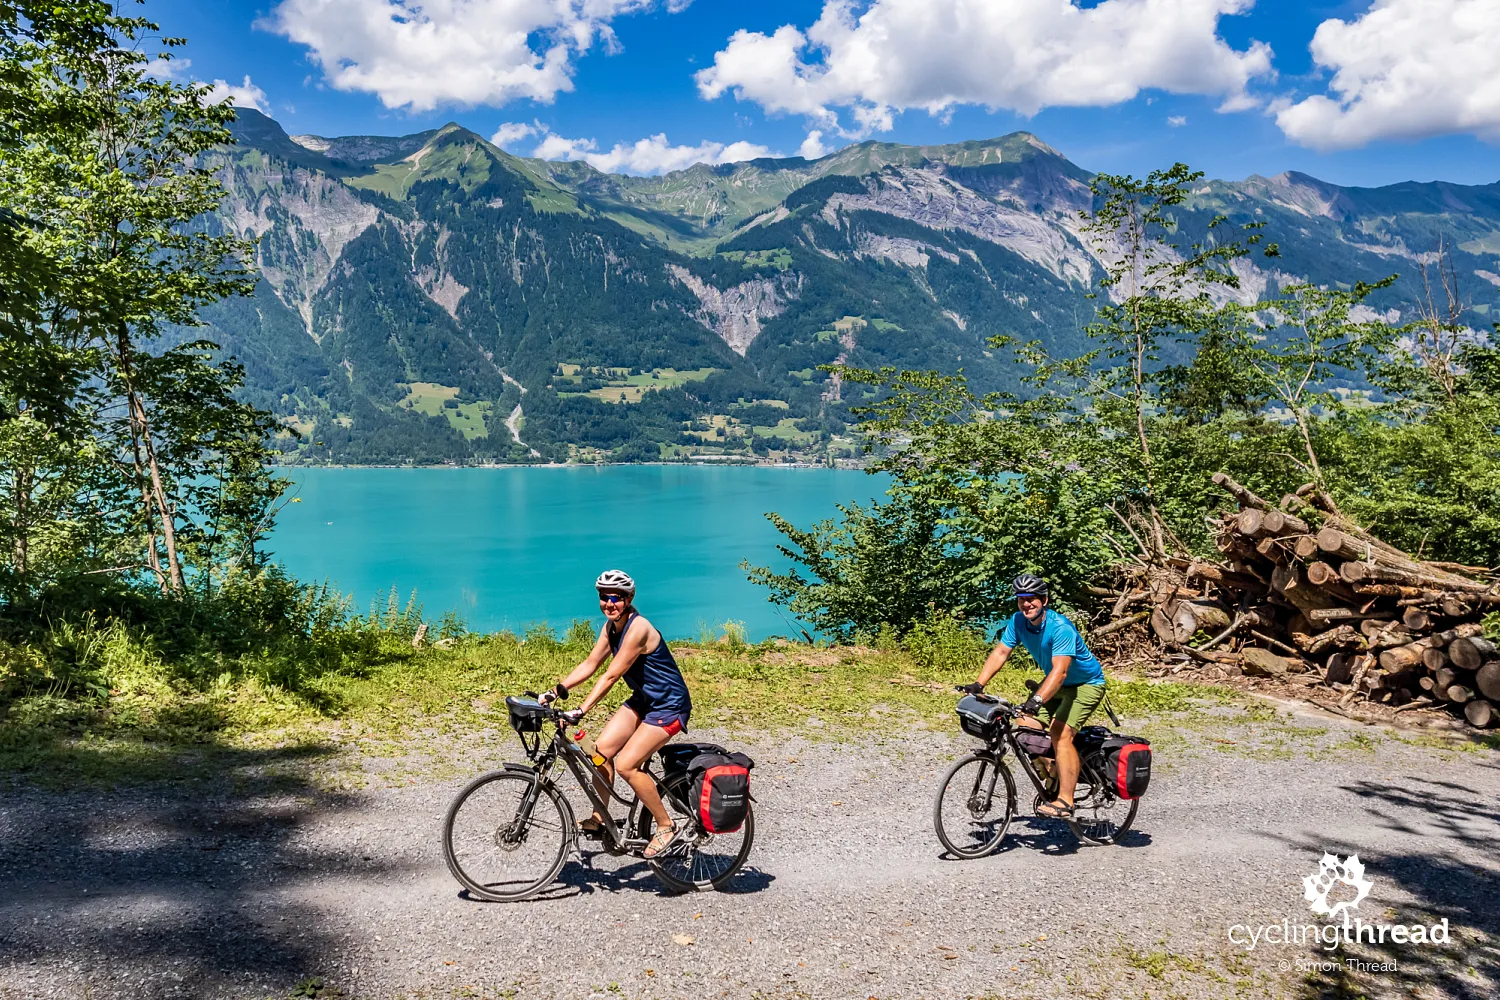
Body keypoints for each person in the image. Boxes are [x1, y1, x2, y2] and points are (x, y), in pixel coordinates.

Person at [543, 570, 692, 859]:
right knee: (599, 753)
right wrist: (556, 690)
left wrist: (581, 709)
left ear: (629, 598)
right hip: (644, 701)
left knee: (626, 764)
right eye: (603, 597)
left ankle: (666, 825)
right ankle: (601, 819)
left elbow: (611, 675)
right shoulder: (611, 627)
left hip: (669, 706)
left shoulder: (638, 629)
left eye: (616, 598)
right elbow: (591, 663)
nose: (609, 603)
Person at [960, 573, 1107, 820]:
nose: (1026, 604)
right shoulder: (1018, 621)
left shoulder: (1060, 628)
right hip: (1056, 683)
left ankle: (1066, 800)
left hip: (1085, 684)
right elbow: (1001, 652)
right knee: (1025, 725)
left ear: (1044, 600)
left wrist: (1036, 700)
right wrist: (978, 684)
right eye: (1021, 599)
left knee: (1060, 734)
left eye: (1031, 599)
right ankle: (1053, 770)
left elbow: (1060, 672)